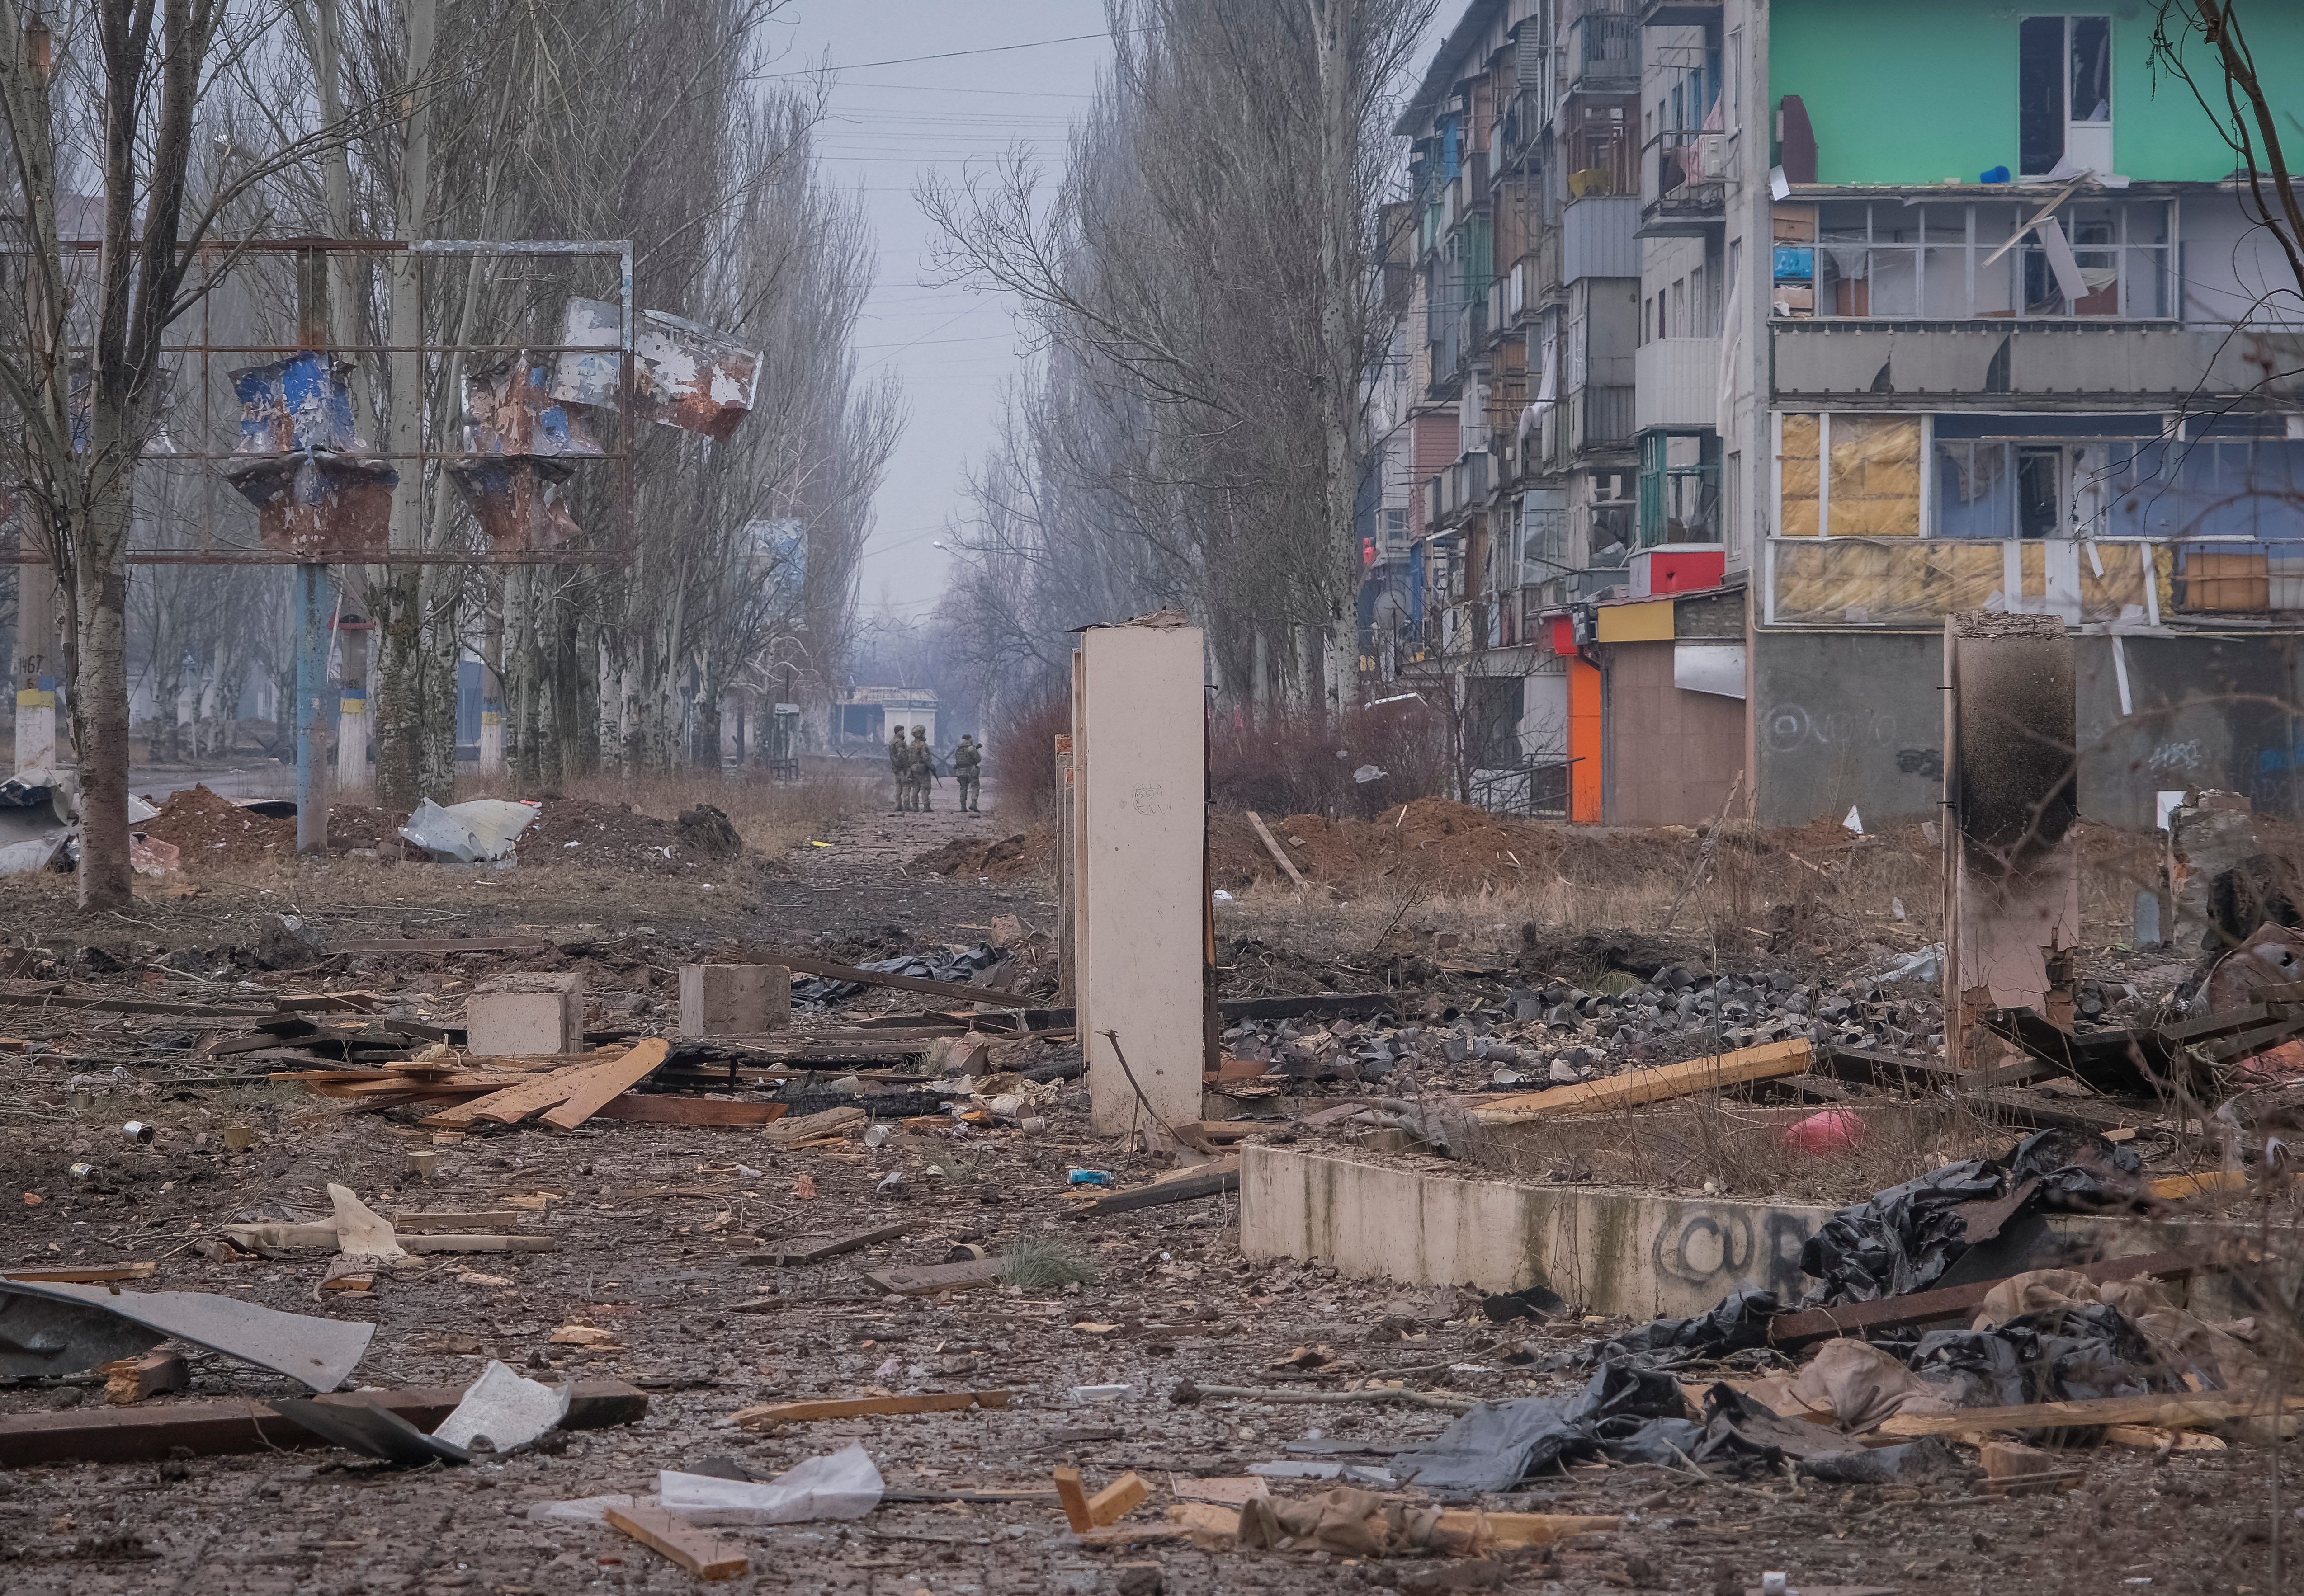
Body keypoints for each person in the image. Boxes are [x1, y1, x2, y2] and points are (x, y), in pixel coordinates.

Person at [953, 734, 982, 814]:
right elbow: (978, 759)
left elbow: (957, 759)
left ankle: (963, 807)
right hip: (971, 770)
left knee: (963, 788)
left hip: (961, 771)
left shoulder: (958, 749)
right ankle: (973, 804)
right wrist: (976, 750)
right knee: (975, 787)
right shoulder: (971, 748)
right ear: (969, 739)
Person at [909, 725, 935, 811]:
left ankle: (915, 806)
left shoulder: (912, 745)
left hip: (913, 768)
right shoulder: (923, 745)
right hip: (922, 769)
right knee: (926, 787)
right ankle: (926, 806)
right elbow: (926, 757)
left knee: (915, 788)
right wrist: (931, 766)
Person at [887, 724, 910, 812]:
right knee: (905, 785)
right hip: (902, 767)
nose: (903, 732)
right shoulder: (899, 742)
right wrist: (907, 766)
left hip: (896, 767)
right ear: (897, 732)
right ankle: (906, 805)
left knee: (898, 786)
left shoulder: (893, 741)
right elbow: (902, 755)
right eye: (901, 731)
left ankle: (898, 805)